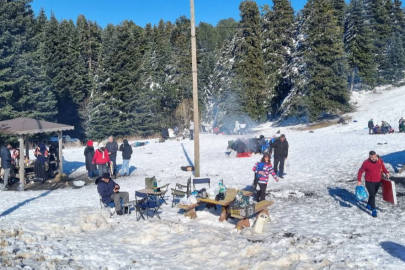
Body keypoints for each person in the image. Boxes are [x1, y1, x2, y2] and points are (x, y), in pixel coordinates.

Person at [357, 151, 389, 218]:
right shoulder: (366, 163)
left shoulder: (379, 160)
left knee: (373, 195)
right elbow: (360, 171)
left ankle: (368, 204)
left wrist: (386, 172)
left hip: (378, 181)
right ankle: (373, 210)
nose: (374, 158)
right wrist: (359, 180)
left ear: (376, 155)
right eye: (372, 157)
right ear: (369, 157)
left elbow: (383, 167)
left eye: (375, 156)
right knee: (372, 195)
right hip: (369, 182)